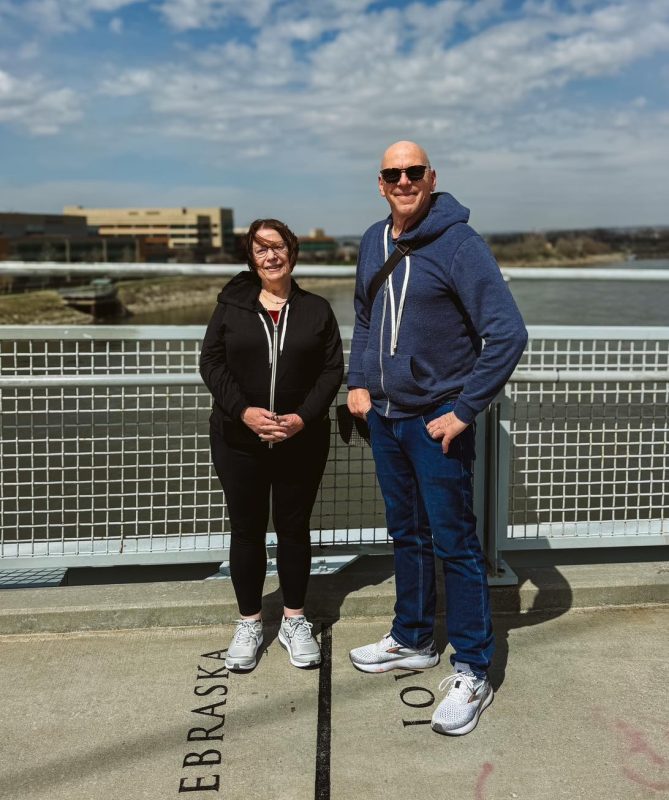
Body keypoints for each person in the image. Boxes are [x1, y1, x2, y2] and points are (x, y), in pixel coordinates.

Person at [347, 141, 527, 735]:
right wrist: (357, 383)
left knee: (454, 542)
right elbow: (366, 318)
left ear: (431, 178)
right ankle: (413, 639)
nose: (404, 180)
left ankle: (473, 668)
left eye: (413, 171)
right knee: (407, 534)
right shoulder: (374, 240)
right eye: (393, 173)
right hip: (386, 418)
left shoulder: (460, 244)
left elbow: (506, 334)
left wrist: (463, 410)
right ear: (380, 183)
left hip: (434, 421)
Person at [200, 218, 344, 672]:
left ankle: (294, 620)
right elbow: (212, 363)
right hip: (238, 439)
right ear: (252, 257)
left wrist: (301, 418)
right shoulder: (232, 306)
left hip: (300, 440)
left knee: (294, 527)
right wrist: (244, 412)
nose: (271, 256)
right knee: (246, 529)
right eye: (261, 249)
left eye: (278, 246)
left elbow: (331, 371)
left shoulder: (316, 309)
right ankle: (249, 622)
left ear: (293, 252)